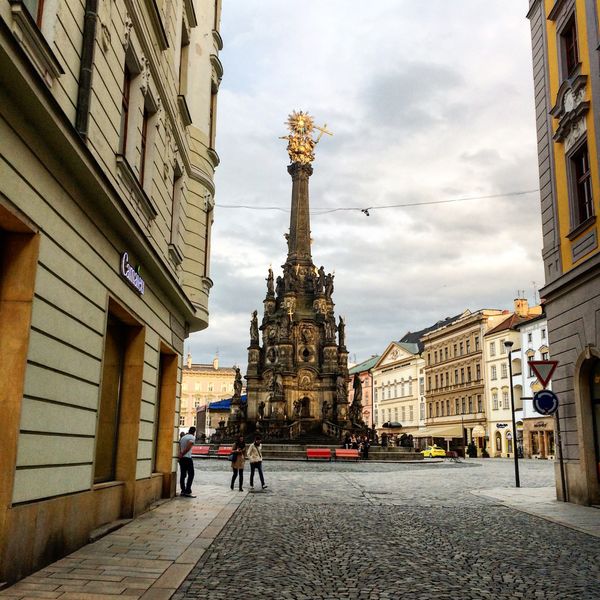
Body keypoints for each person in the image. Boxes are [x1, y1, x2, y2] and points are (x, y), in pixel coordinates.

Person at [178, 426, 196, 497]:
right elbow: (189, 446)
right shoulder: (192, 437)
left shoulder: (183, 437)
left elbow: (179, 446)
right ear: (194, 432)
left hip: (182, 458)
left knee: (183, 475)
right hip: (187, 458)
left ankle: (183, 490)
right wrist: (182, 454)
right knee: (191, 474)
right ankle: (188, 491)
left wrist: (180, 454)